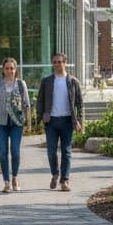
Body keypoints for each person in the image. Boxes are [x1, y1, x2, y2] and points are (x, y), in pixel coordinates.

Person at [35, 52, 84, 191]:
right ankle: (55, 174)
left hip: (68, 121)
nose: (57, 64)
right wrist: (40, 116)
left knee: (66, 151)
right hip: (51, 122)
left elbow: (80, 103)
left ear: (65, 63)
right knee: (51, 151)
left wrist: (79, 120)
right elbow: (40, 100)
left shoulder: (73, 81)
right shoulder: (47, 81)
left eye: (60, 62)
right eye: (55, 62)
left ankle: (65, 180)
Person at [0, 57, 30, 193]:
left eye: (12, 68)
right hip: (1, 122)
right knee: (3, 152)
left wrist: (29, 124)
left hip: (17, 123)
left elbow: (26, 105)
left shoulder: (21, 84)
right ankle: (6, 182)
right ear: (3, 70)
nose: (10, 71)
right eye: (7, 68)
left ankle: (14, 178)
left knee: (15, 152)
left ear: (16, 70)